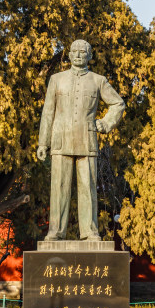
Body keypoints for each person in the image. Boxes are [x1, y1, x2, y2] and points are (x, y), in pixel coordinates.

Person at [37, 40, 125, 240]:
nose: (78, 55)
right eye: (74, 51)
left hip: (86, 139)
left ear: (89, 56)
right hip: (60, 140)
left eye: (83, 52)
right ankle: (56, 232)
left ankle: (90, 232)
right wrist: (43, 142)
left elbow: (118, 103)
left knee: (88, 187)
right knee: (59, 188)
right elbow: (48, 112)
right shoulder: (56, 79)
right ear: (68, 55)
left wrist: (106, 123)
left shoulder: (98, 80)